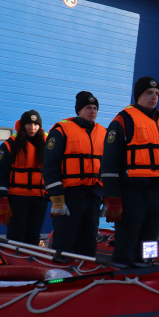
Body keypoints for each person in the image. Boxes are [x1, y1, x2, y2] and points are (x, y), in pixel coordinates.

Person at [100, 76, 159, 266]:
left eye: (157, 94)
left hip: (158, 191)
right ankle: (122, 272)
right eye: (148, 93)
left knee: (151, 237)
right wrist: (113, 200)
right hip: (132, 192)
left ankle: (146, 267)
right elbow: (109, 165)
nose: (154, 97)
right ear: (138, 95)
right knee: (127, 237)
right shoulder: (122, 120)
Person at [42, 91, 105, 257]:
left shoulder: (103, 133)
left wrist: (108, 199)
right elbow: (50, 167)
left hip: (92, 198)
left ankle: (85, 276)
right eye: (88, 108)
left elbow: (108, 168)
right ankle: (61, 276)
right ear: (78, 110)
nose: (92, 111)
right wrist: (57, 200)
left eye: (95, 108)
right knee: (65, 243)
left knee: (89, 242)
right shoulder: (61, 131)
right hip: (69, 199)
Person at [0, 110, 48, 245]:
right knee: (16, 236)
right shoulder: (9, 145)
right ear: (23, 125)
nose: (32, 127)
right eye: (29, 124)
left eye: (35, 124)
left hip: (39, 199)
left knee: (34, 236)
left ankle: (31, 262)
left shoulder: (48, 145)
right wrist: (2, 200)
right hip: (17, 199)